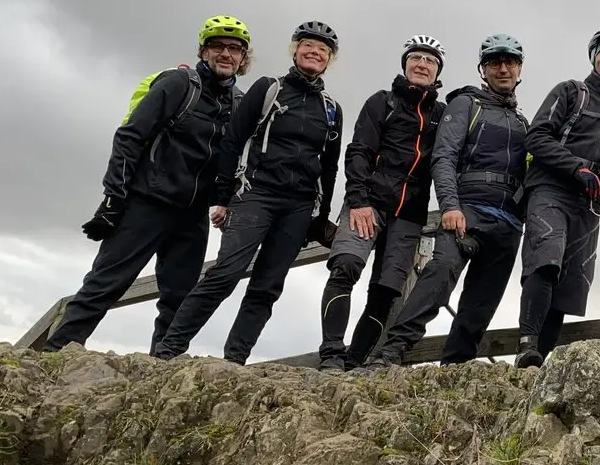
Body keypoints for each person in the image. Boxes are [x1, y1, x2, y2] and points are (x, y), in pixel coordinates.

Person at [43, 15, 252, 354]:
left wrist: (226, 200)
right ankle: (55, 357)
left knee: (179, 298)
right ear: (203, 51)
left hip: (192, 214)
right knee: (106, 283)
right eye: (217, 46)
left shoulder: (239, 104)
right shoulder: (177, 84)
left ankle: (161, 367)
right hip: (147, 203)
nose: (226, 54)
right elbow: (130, 136)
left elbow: (233, 161)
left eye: (234, 48)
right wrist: (114, 196)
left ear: (243, 58)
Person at [152, 21, 344, 364]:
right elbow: (232, 141)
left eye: (323, 50)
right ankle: (168, 350)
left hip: (299, 205)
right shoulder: (268, 88)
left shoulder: (331, 108)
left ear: (330, 59)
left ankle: (235, 360)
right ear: (295, 50)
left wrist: (320, 216)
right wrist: (222, 197)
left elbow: (329, 166)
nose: (314, 52)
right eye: (308, 46)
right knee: (225, 273)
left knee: (268, 286)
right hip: (256, 193)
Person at [361, 34, 531, 368]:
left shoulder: (523, 122)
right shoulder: (466, 104)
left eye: (509, 62)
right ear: (483, 69)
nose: (502, 69)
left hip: (508, 221)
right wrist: (451, 206)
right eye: (494, 62)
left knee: (482, 302)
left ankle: (455, 367)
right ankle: (392, 351)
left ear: (519, 68)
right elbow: (444, 156)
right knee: (439, 274)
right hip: (466, 211)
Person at [317, 34, 448, 372]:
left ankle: (354, 363)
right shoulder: (382, 102)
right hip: (368, 203)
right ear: (405, 65)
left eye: (430, 61)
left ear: (437, 73)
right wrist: (358, 200)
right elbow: (359, 150)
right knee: (344, 267)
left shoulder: (441, 115)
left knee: (386, 292)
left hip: (409, 214)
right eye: (416, 58)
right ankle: (331, 353)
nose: (422, 64)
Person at [513, 25, 600, 369]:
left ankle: (543, 362)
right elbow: (537, 137)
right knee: (546, 260)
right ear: (594, 56)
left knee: (572, 281)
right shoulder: (571, 91)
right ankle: (527, 347)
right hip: (550, 190)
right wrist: (576, 167)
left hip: (589, 205)